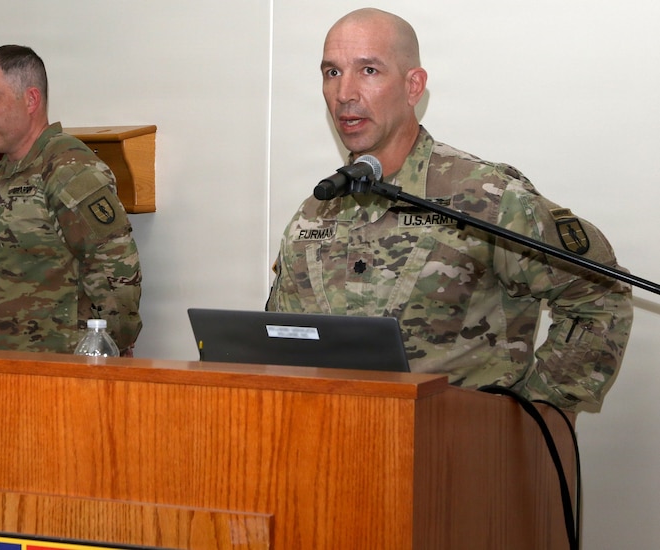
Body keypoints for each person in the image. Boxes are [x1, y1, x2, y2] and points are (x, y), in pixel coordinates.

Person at [266, 8, 633, 410]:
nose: (345, 93)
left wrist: (538, 414)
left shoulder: (484, 198)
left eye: (368, 70)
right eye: (332, 73)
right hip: (343, 451)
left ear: (413, 87)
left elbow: (600, 293)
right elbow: (284, 341)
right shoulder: (314, 214)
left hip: (461, 455)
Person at [0, 45, 142, 355]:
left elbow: (117, 278)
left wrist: (100, 361)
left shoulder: (68, 169)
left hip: (59, 380)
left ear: (30, 99)